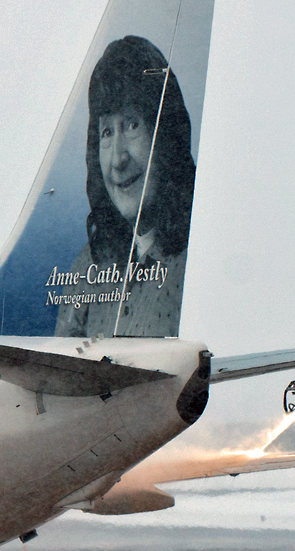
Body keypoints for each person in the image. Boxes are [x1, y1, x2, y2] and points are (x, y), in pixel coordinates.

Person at [53, 35, 196, 337]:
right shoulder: (88, 266)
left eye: (132, 125)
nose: (118, 159)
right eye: (106, 132)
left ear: (167, 135)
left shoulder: (202, 257)